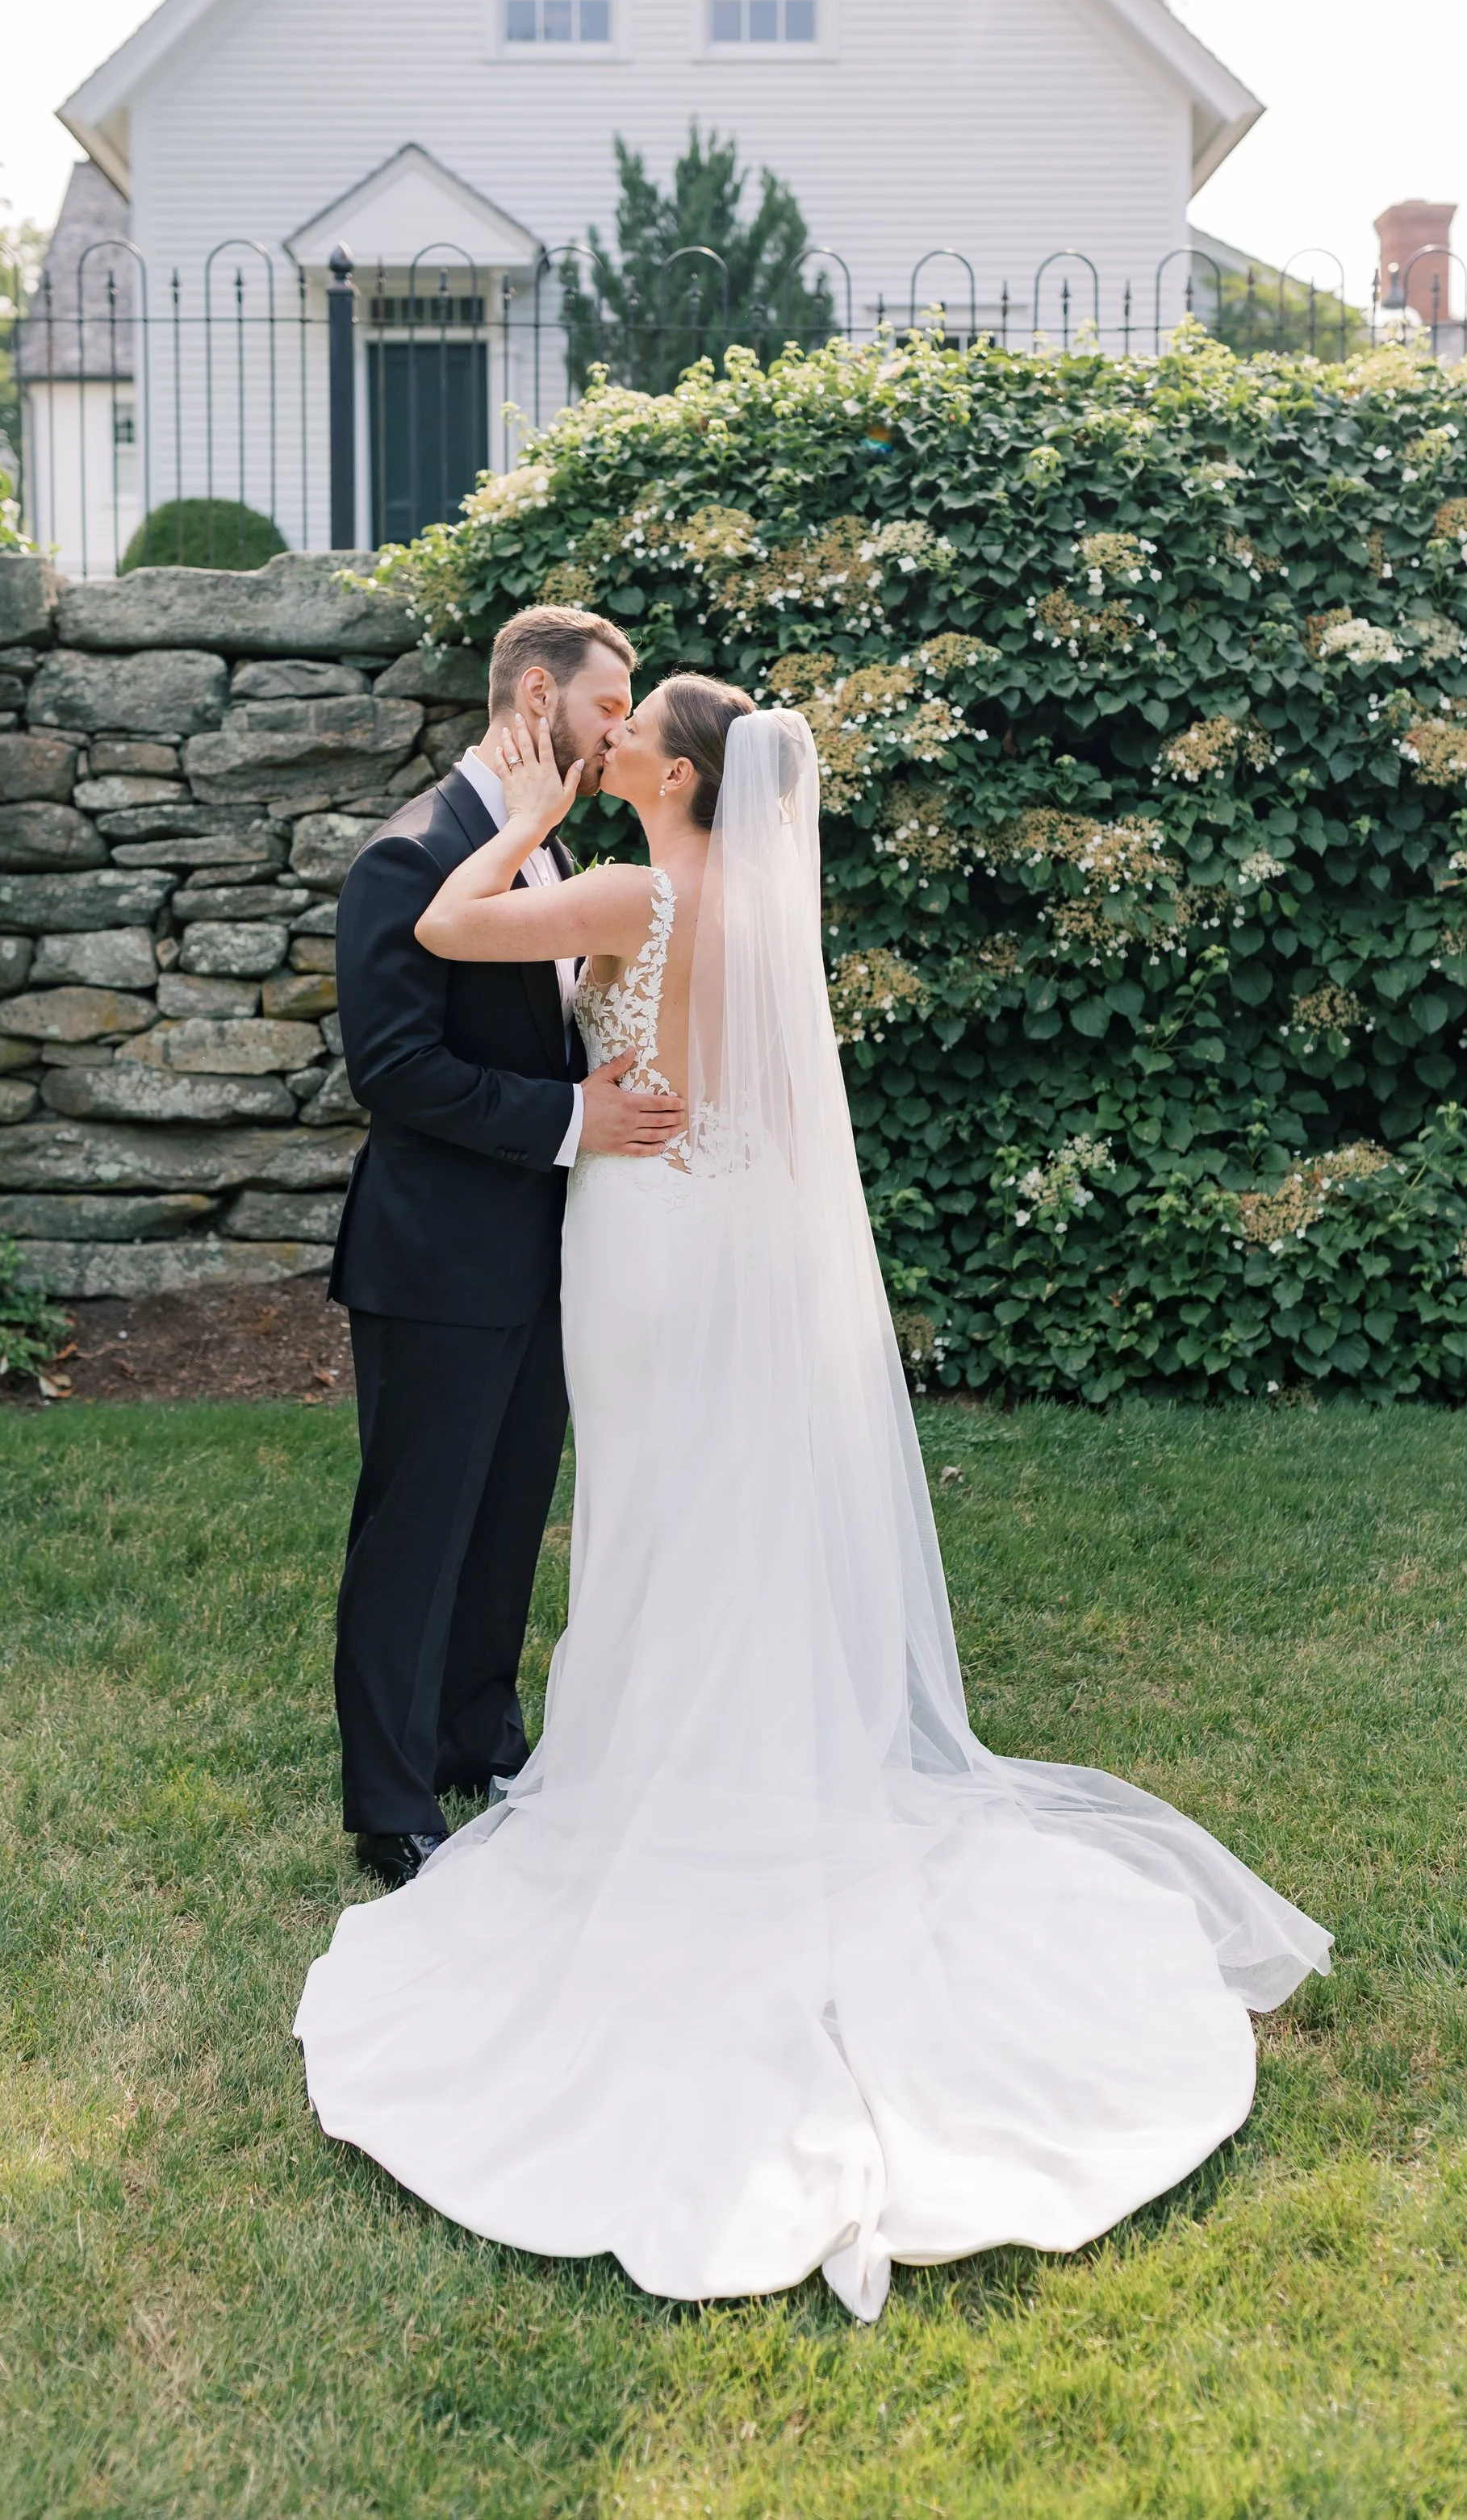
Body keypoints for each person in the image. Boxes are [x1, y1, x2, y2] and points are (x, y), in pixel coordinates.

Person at [299, 680, 1330, 2319]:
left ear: (682, 778)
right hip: (703, 1229)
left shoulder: (638, 887)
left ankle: (652, 1761)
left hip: (633, 1232)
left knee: (647, 1509)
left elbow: (444, 920)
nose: (608, 740)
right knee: (701, 1503)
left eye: (635, 734)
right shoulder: (743, 901)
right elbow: (748, 1111)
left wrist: (514, 827)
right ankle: (719, 1745)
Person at [325, 606, 686, 1891]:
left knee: (506, 1513)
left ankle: (480, 1733)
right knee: (418, 1523)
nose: (618, 725)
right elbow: (397, 1069)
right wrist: (573, 1119)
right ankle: (388, 1797)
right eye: (609, 701)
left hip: (550, 1258)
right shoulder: (407, 857)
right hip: (435, 1260)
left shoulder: (550, 852)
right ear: (538, 698)